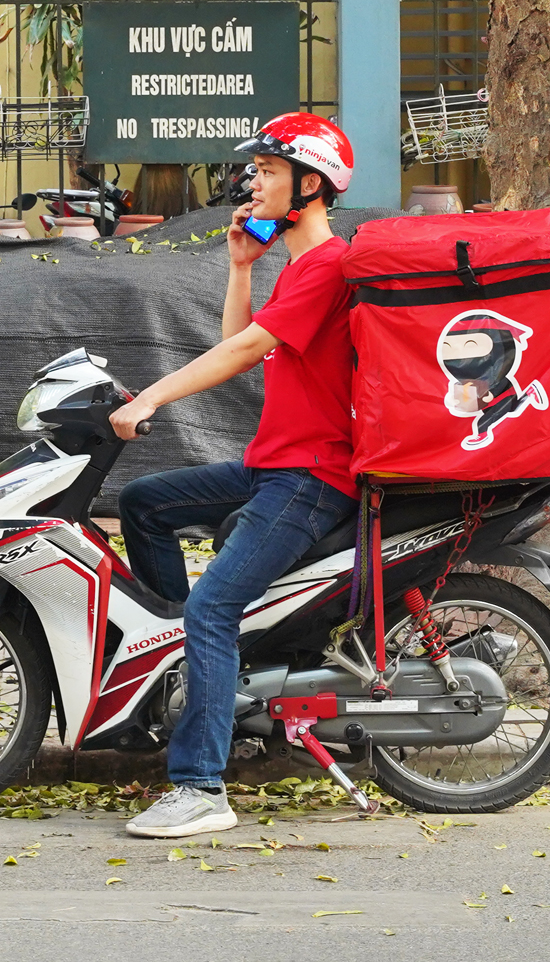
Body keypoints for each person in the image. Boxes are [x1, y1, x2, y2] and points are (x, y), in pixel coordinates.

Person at [109, 112, 360, 838]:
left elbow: (242, 352)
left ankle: (200, 787)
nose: (253, 185)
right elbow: (241, 340)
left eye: (269, 173)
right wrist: (241, 268)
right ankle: (186, 671)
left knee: (212, 608)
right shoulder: (297, 267)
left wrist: (152, 395)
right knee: (145, 503)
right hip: (272, 465)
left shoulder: (328, 267)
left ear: (310, 186)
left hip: (310, 478)